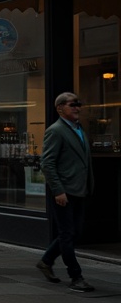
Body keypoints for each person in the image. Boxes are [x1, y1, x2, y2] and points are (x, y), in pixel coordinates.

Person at [37, 91, 95, 292]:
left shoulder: (78, 129)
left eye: (79, 104)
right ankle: (76, 276)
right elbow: (47, 163)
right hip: (64, 191)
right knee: (67, 234)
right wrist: (58, 190)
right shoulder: (56, 130)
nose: (78, 107)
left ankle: (46, 261)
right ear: (60, 108)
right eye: (73, 104)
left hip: (79, 190)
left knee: (73, 233)